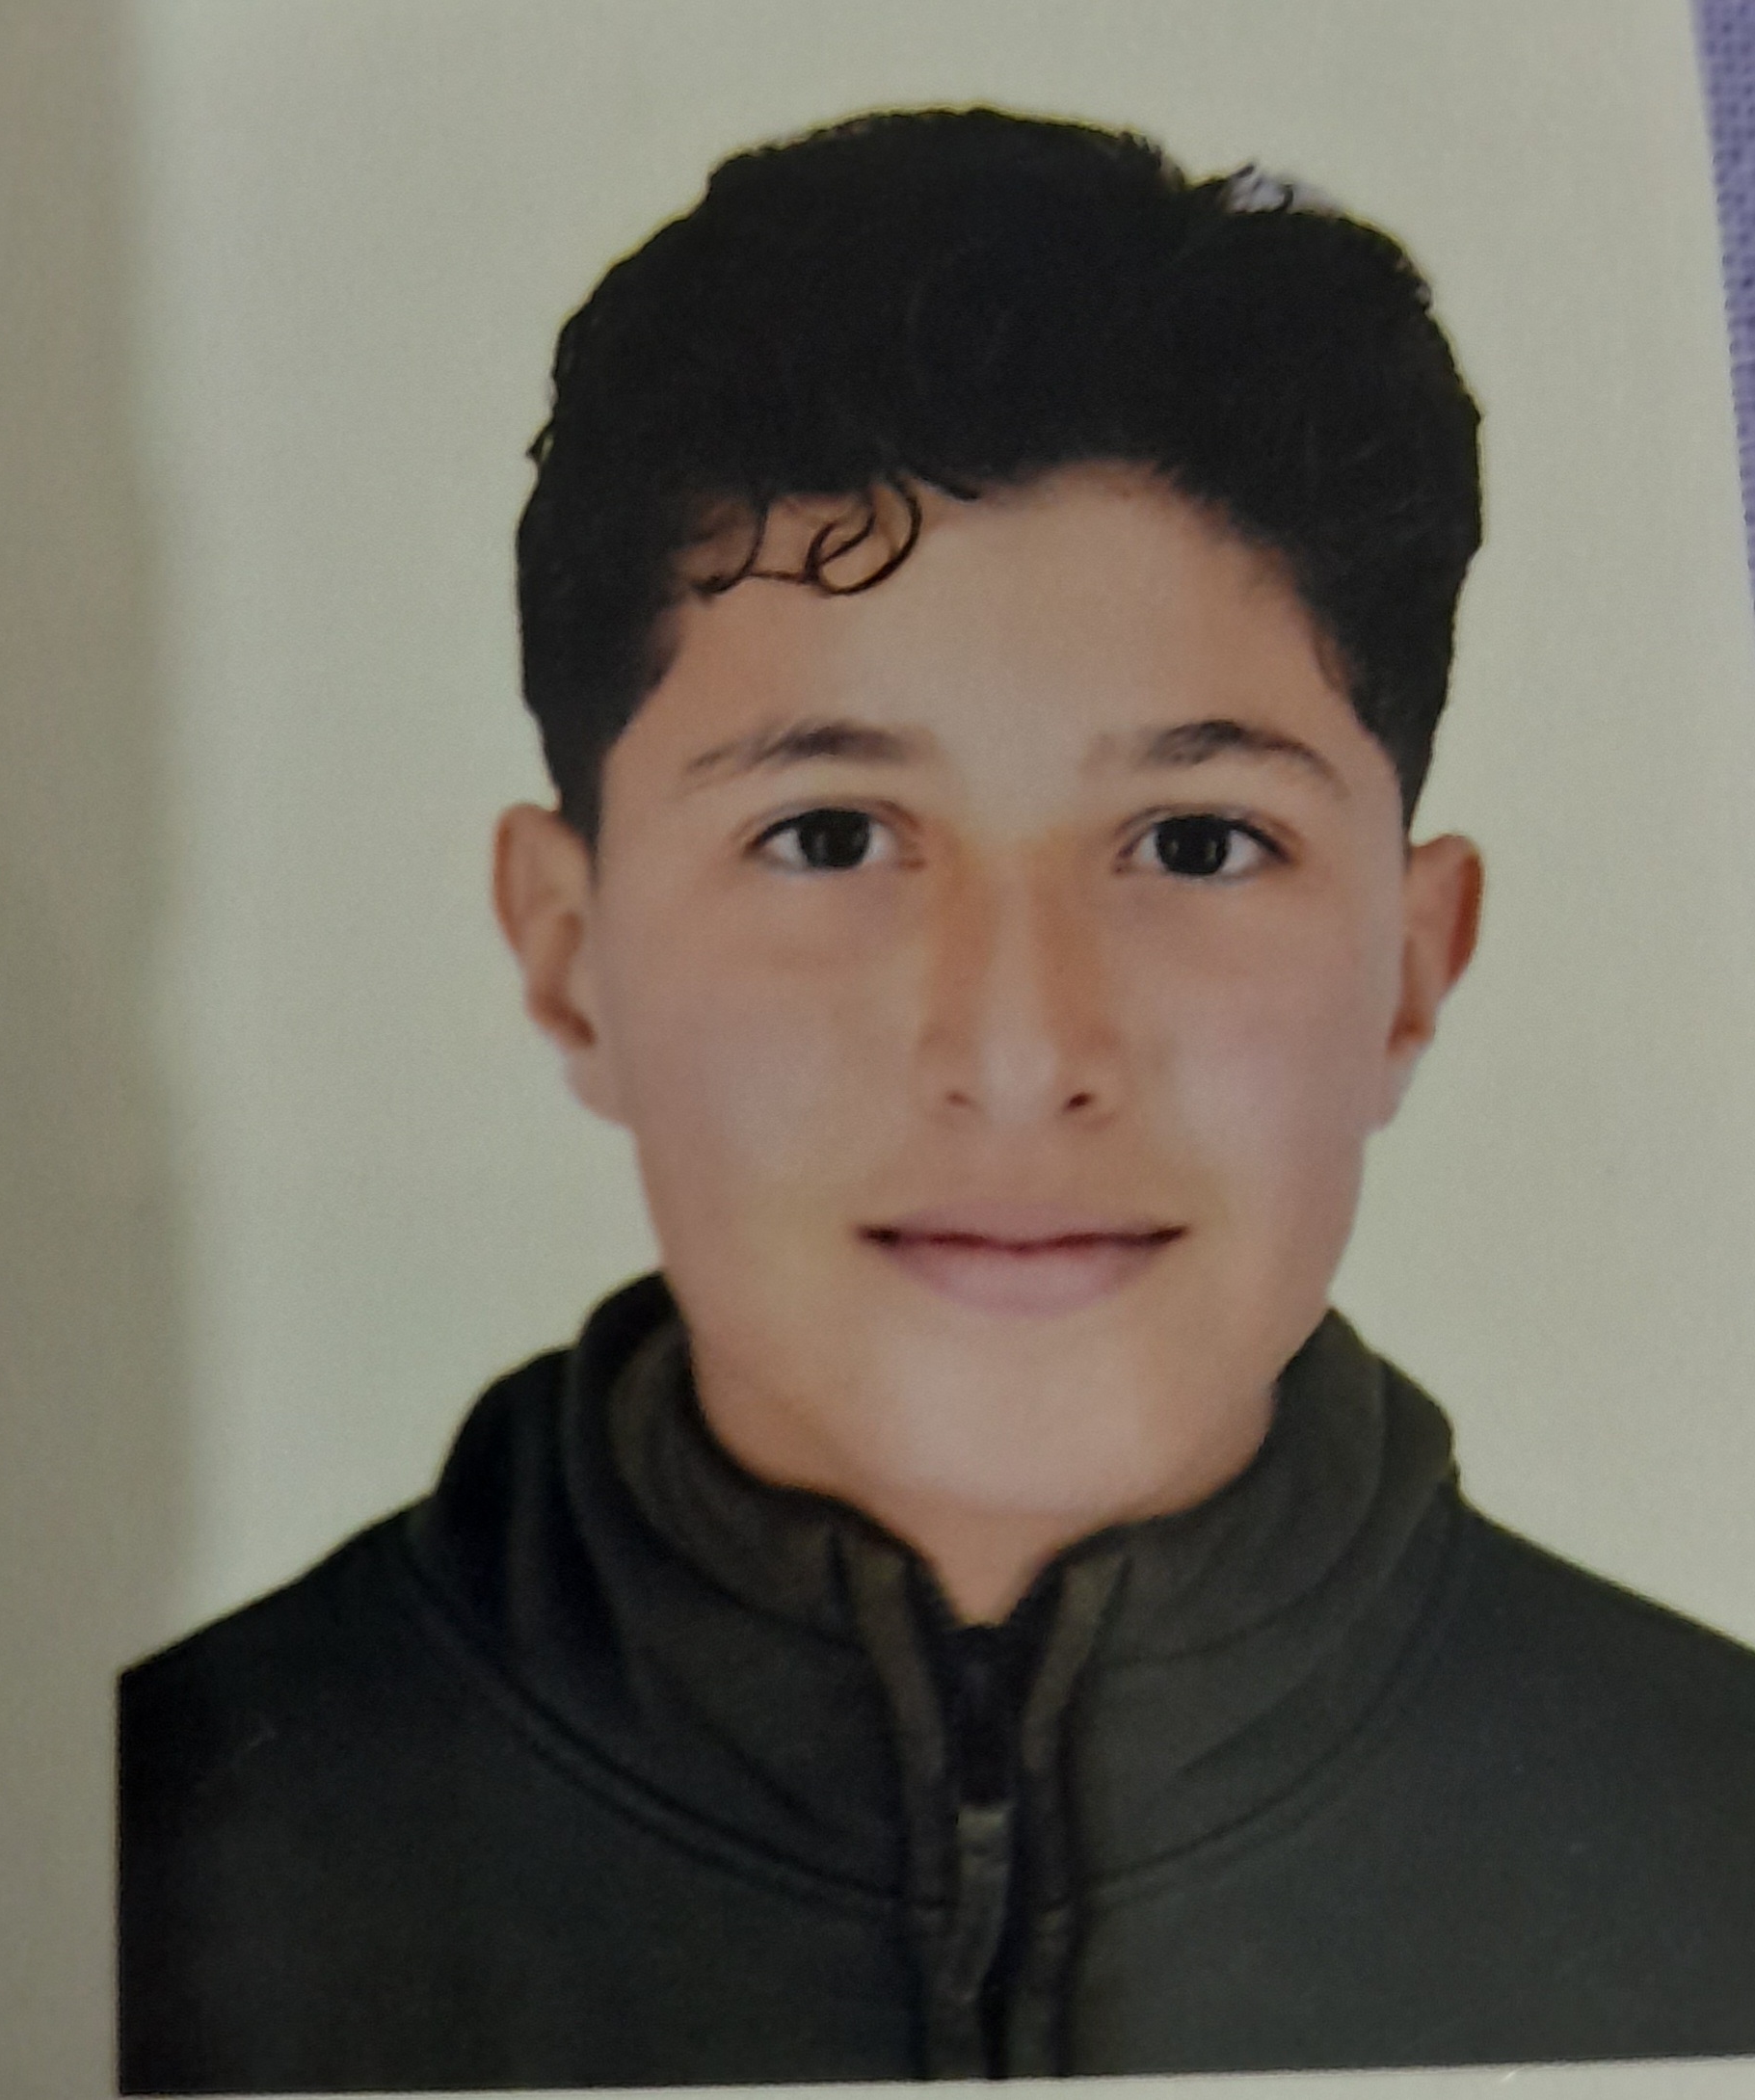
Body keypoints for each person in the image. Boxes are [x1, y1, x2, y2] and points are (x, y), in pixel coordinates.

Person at [117, 107, 1755, 2093]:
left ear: (1412, 965)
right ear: (567, 953)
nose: (1018, 1048)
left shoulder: (1716, 1837)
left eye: (1196, 842)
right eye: (828, 835)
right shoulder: (121, 1863)